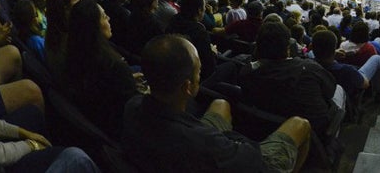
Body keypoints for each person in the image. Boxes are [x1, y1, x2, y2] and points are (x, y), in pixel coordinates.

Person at [122, 34, 311, 173]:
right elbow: (252, 157)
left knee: (221, 103)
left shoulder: (133, 105)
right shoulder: (203, 143)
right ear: (187, 86)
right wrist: (234, 140)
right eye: (198, 71)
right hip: (238, 158)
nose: (199, 76)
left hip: (178, 144)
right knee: (300, 124)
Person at [239, 22, 342, 141]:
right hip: (309, 138)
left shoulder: (246, 72)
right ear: (288, 47)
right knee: (339, 90)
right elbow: (330, 91)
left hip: (262, 132)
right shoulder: (309, 68)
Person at [64, 0, 141, 139]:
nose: (109, 19)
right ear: (94, 26)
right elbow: (134, 109)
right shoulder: (114, 66)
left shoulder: (76, 51)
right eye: (105, 16)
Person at [311, 29, 380, 101]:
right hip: (353, 86)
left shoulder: (308, 64)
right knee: (377, 58)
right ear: (334, 48)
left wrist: (334, 55)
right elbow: (365, 84)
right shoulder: (346, 70)